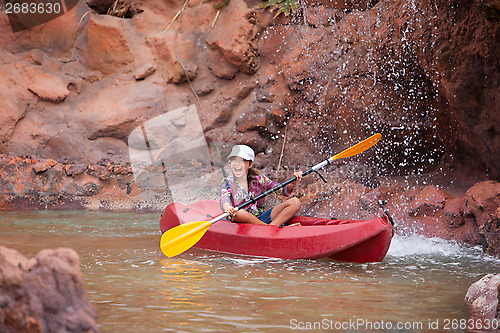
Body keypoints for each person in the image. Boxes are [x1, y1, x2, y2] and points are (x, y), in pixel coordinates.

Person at [220, 144, 303, 226]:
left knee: (295, 202)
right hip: (240, 220)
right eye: (234, 160)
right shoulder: (228, 181)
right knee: (239, 213)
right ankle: (274, 228)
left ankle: (271, 227)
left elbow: (284, 191)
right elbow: (224, 198)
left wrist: (293, 182)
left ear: (250, 164)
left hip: (260, 218)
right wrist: (227, 207)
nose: (237, 164)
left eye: (241, 160)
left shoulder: (260, 179)